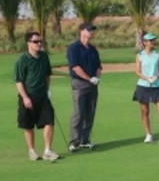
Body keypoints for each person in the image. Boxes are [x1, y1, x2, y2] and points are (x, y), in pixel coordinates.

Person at [14, 32, 60, 161]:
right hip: (28, 96)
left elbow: (47, 75)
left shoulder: (44, 57)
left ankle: (47, 151)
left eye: (40, 41)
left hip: (43, 96)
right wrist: (25, 97)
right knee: (29, 125)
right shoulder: (22, 60)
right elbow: (19, 81)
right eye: (36, 42)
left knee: (49, 121)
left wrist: (47, 90)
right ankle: (32, 151)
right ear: (28, 43)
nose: (39, 44)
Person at [132, 32, 159, 144]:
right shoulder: (139, 56)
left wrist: (156, 77)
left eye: (153, 40)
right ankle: (148, 134)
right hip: (143, 86)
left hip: (156, 86)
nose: (152, 42)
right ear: (144, 42)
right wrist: (147, 78)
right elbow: (137, 71)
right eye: (150, 40)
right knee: (145, 111)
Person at [67, 23, 103, 152]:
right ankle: (74, 142)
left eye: (93, 30)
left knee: (90, 112)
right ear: (81, 31)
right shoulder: (73, 48)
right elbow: (75, 67)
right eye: (89, 30)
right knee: (79, 112)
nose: (92, 32)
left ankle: (85, 140)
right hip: (80, 84)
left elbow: (99, 67)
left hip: (93, 84)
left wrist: (97, 77)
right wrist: (89, 78)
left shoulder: (93, 49)